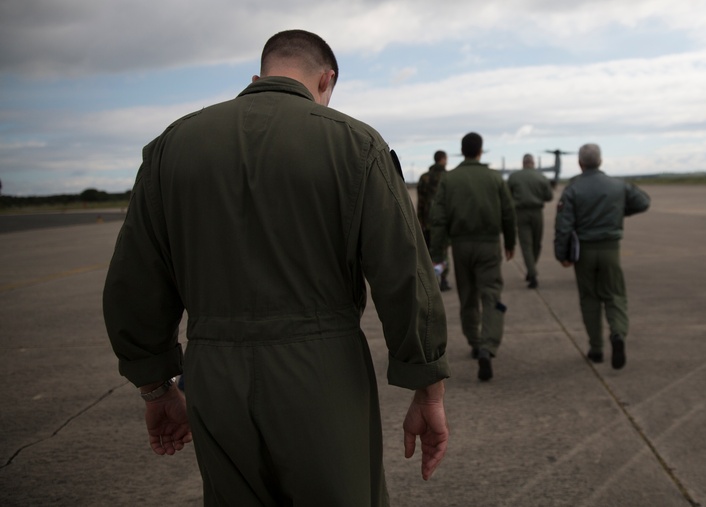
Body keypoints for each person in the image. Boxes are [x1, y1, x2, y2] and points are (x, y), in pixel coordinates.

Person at [103, 30, 450, 506]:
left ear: (257, 76)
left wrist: (154, 388)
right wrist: (427, 389)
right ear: (327, 80)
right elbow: (404, 275)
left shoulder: (172, 145)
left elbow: (135, 279)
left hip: (213, 374)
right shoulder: (354, 143)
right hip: (321, 371)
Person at [554, 144, 650, 369]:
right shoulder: (618, 185)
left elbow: (563, 225)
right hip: (610, 249)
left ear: (580, 163)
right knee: (615, 295)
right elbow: (643, 201)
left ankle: (596, 348)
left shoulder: (573, 189)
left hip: (584, 251)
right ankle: (617, 334)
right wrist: (618, 211)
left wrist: (562, 254)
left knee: (590, 298)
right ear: (601, 161)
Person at [430, 132, 516, 381]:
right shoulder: (493, 177)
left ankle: (475, 342)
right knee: (491, 294)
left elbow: (439, 219)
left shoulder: (450, 179)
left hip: (461, 246)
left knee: (468, 296)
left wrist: (438, 254)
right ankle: (488, 348)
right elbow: (509, 213)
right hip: (489, 245)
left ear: (461, 150)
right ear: (481, 151)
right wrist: (510, 242)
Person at [507, 153, 554, 288]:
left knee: (526, 244)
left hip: (520, 213)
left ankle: (531, 270)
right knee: (536, 243)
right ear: (533, 163)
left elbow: (508, 195)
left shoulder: (514, 177)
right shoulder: (541, 177)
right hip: (537, 212)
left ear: (523, 163)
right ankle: (532, 271)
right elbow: (549, 196)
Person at [417, 150, 450, 290]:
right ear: (442, 159)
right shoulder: (447, 177)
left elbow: (421, 202)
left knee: (429, 250)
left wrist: (420, 220)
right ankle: (443, 279)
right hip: (443, 219)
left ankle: (431, 280)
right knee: (443, 251)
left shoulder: (424, 177)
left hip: (428, 219)